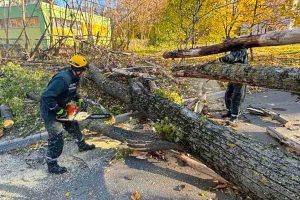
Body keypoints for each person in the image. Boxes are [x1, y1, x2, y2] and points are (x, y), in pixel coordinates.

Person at [40, 55, 95, 174]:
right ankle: (52, 164)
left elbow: (71, 92)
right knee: (57, 137)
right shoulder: (62, 79)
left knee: (73, 125)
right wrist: (58, 111)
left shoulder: (75, 77)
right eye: (83, 69)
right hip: (50, 110)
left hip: (61, 106)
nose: (84, 71)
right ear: (78, 69)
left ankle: (82, 145)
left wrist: (78, 99)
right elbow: (47, 97)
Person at [219, 47, 248, 126]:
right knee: (228, 94)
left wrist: (225, 58)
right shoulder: (233, 48)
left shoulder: (242, 49)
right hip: (233, 75)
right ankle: (229, 111)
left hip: (241, 75)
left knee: (237, 96)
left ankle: (235, 116)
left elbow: (234, 56)